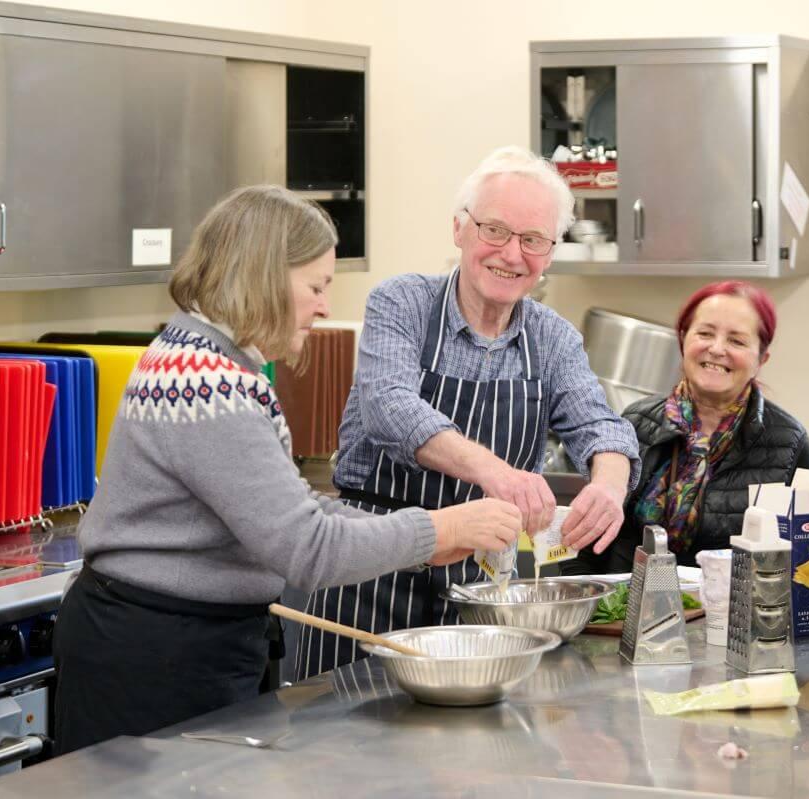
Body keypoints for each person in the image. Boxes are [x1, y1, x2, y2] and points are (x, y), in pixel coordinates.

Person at [53, 186, 521, 755]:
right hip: (155, 655)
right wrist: (441, 530)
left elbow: (302, 508)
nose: (324, 306)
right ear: (265, 276)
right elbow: (307, 547)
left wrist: (425, 539)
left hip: (183, 641)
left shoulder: (217, 362)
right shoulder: (208, 384)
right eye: (317, 287)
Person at [285, 147, 641, 677]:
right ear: (459, 229)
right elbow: (389, 407)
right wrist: (496, 474)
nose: (512, 254)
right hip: (369, 573)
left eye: (533, 240)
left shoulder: (552, 337)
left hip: (479, 592)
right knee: (337, 732)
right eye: (494, 230)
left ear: (550, 251)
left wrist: (609, 486)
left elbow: (602, 427)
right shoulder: (402, 302)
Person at [563, 281, 809, 573]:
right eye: (705, 333)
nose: (717, 349)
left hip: (731, 613)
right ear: (683, 341)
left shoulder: (787, 442)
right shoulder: (637, 422)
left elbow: (803, 562)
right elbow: (589, 535)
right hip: (626, 608)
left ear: (761, 359)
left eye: (737, 341)